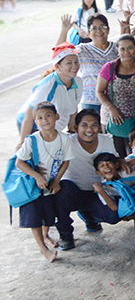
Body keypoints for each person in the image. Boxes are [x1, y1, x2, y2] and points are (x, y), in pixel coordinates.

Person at [53, 109, 121, 249]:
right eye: (84, 125)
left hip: (98, 190)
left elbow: (116, 162)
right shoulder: (66, 142)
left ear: (99, 127)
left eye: (94, 125)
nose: (89, 129)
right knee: (61, 192)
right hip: (73, 190)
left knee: (113, 216)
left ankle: (89, 216)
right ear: (75, 127)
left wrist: (123, 162)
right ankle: (65, 235)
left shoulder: (107, 140)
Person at [15, 101, 74, 262]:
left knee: (48, 215)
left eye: (48, 115)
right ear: (35, 122)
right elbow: (19, 163)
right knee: (35, 217)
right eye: (39, 118)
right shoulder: (32, 140)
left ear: (56, 117)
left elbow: (66, 161)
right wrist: (37, 176)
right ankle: (43, 249)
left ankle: (46, 235)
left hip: (49, 184)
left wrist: (56, 181)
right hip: (34, 186)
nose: (44, 120)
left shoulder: (63, 138)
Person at [18, 44, 82, 146]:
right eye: (69, 63)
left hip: (55, 131)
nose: (74, 66)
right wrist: (23, 143)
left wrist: (71, 130)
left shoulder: (78, 82)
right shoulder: (47, 85)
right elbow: (29, 114)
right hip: (36, 129)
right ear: (57, 67)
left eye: (76, 62)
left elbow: (73, 108)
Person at [96, 34, 135, 154]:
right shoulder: (109, 68)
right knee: (114, 154)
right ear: (117, 50)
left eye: (130, 48)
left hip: (133, 121)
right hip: (111, 119)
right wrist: (111, 108)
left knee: (132, 155)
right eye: (122, 49)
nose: (126, 52)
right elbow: (99, 92)